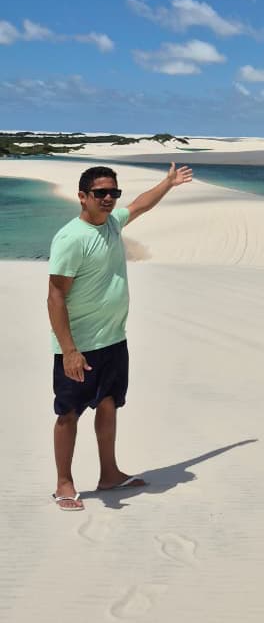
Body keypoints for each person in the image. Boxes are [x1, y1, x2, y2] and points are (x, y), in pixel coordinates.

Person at [47, 162, 192, 511]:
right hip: (79, 346)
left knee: (109, 403)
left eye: (114, 192)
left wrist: (168, 183)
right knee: (69, 413)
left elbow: (142, 204)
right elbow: (55, 296)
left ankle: (109, 473)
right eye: (100, 193)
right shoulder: (71, 238)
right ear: (82, 197)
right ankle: (64, 482)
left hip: (113, 339)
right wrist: (69, 350)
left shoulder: (112, 223)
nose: (109, 198)